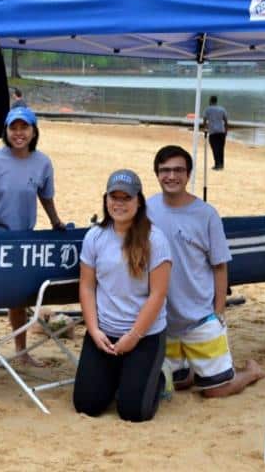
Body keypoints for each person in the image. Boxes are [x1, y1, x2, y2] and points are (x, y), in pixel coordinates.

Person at [147, 145, 264, 397]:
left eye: (178, 170)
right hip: (164, 319)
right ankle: (190, 367)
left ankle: (251, 372)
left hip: (200, 317)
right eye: (165, 170)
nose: (171, 176)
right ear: (156, 174)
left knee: (214, 391)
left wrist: (218, 311)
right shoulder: (147, 209)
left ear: (188, 174)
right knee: (176, 384)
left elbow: (219, 266)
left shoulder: (206, 214)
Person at [73, 170, 171, 421]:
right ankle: (120, 375)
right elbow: (87, 287)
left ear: (138, 201)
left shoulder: (155, 240)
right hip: (104, 332)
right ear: (105, 200)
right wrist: (94, 330)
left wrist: (134, 335)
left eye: (126, 198)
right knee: (87, 405)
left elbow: (158, 294)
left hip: (144, 334)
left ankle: (159, 378)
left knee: (133, 413)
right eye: (113, 197)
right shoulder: (95, 236)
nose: (119, 203)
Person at [0, 107, 64, 367]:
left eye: (24, 128)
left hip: (24, 238)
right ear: (5, 130)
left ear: (33, 131)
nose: (18, 133)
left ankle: (21, 351)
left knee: (19, 298)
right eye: (13, 128)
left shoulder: (43, 162)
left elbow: (45, 196)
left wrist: (56, 221)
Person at [203, 95, 228, 170]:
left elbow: (204, 121)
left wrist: (205, 130)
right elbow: (226, 120)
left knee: (215, 148)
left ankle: (217, 165)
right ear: (216, 101)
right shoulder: (222, 109)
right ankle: (221, 164)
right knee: (221, 148)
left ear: (210, 101)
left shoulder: (207, 109)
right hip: (221, 131)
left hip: (213, 132)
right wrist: (226, 130)